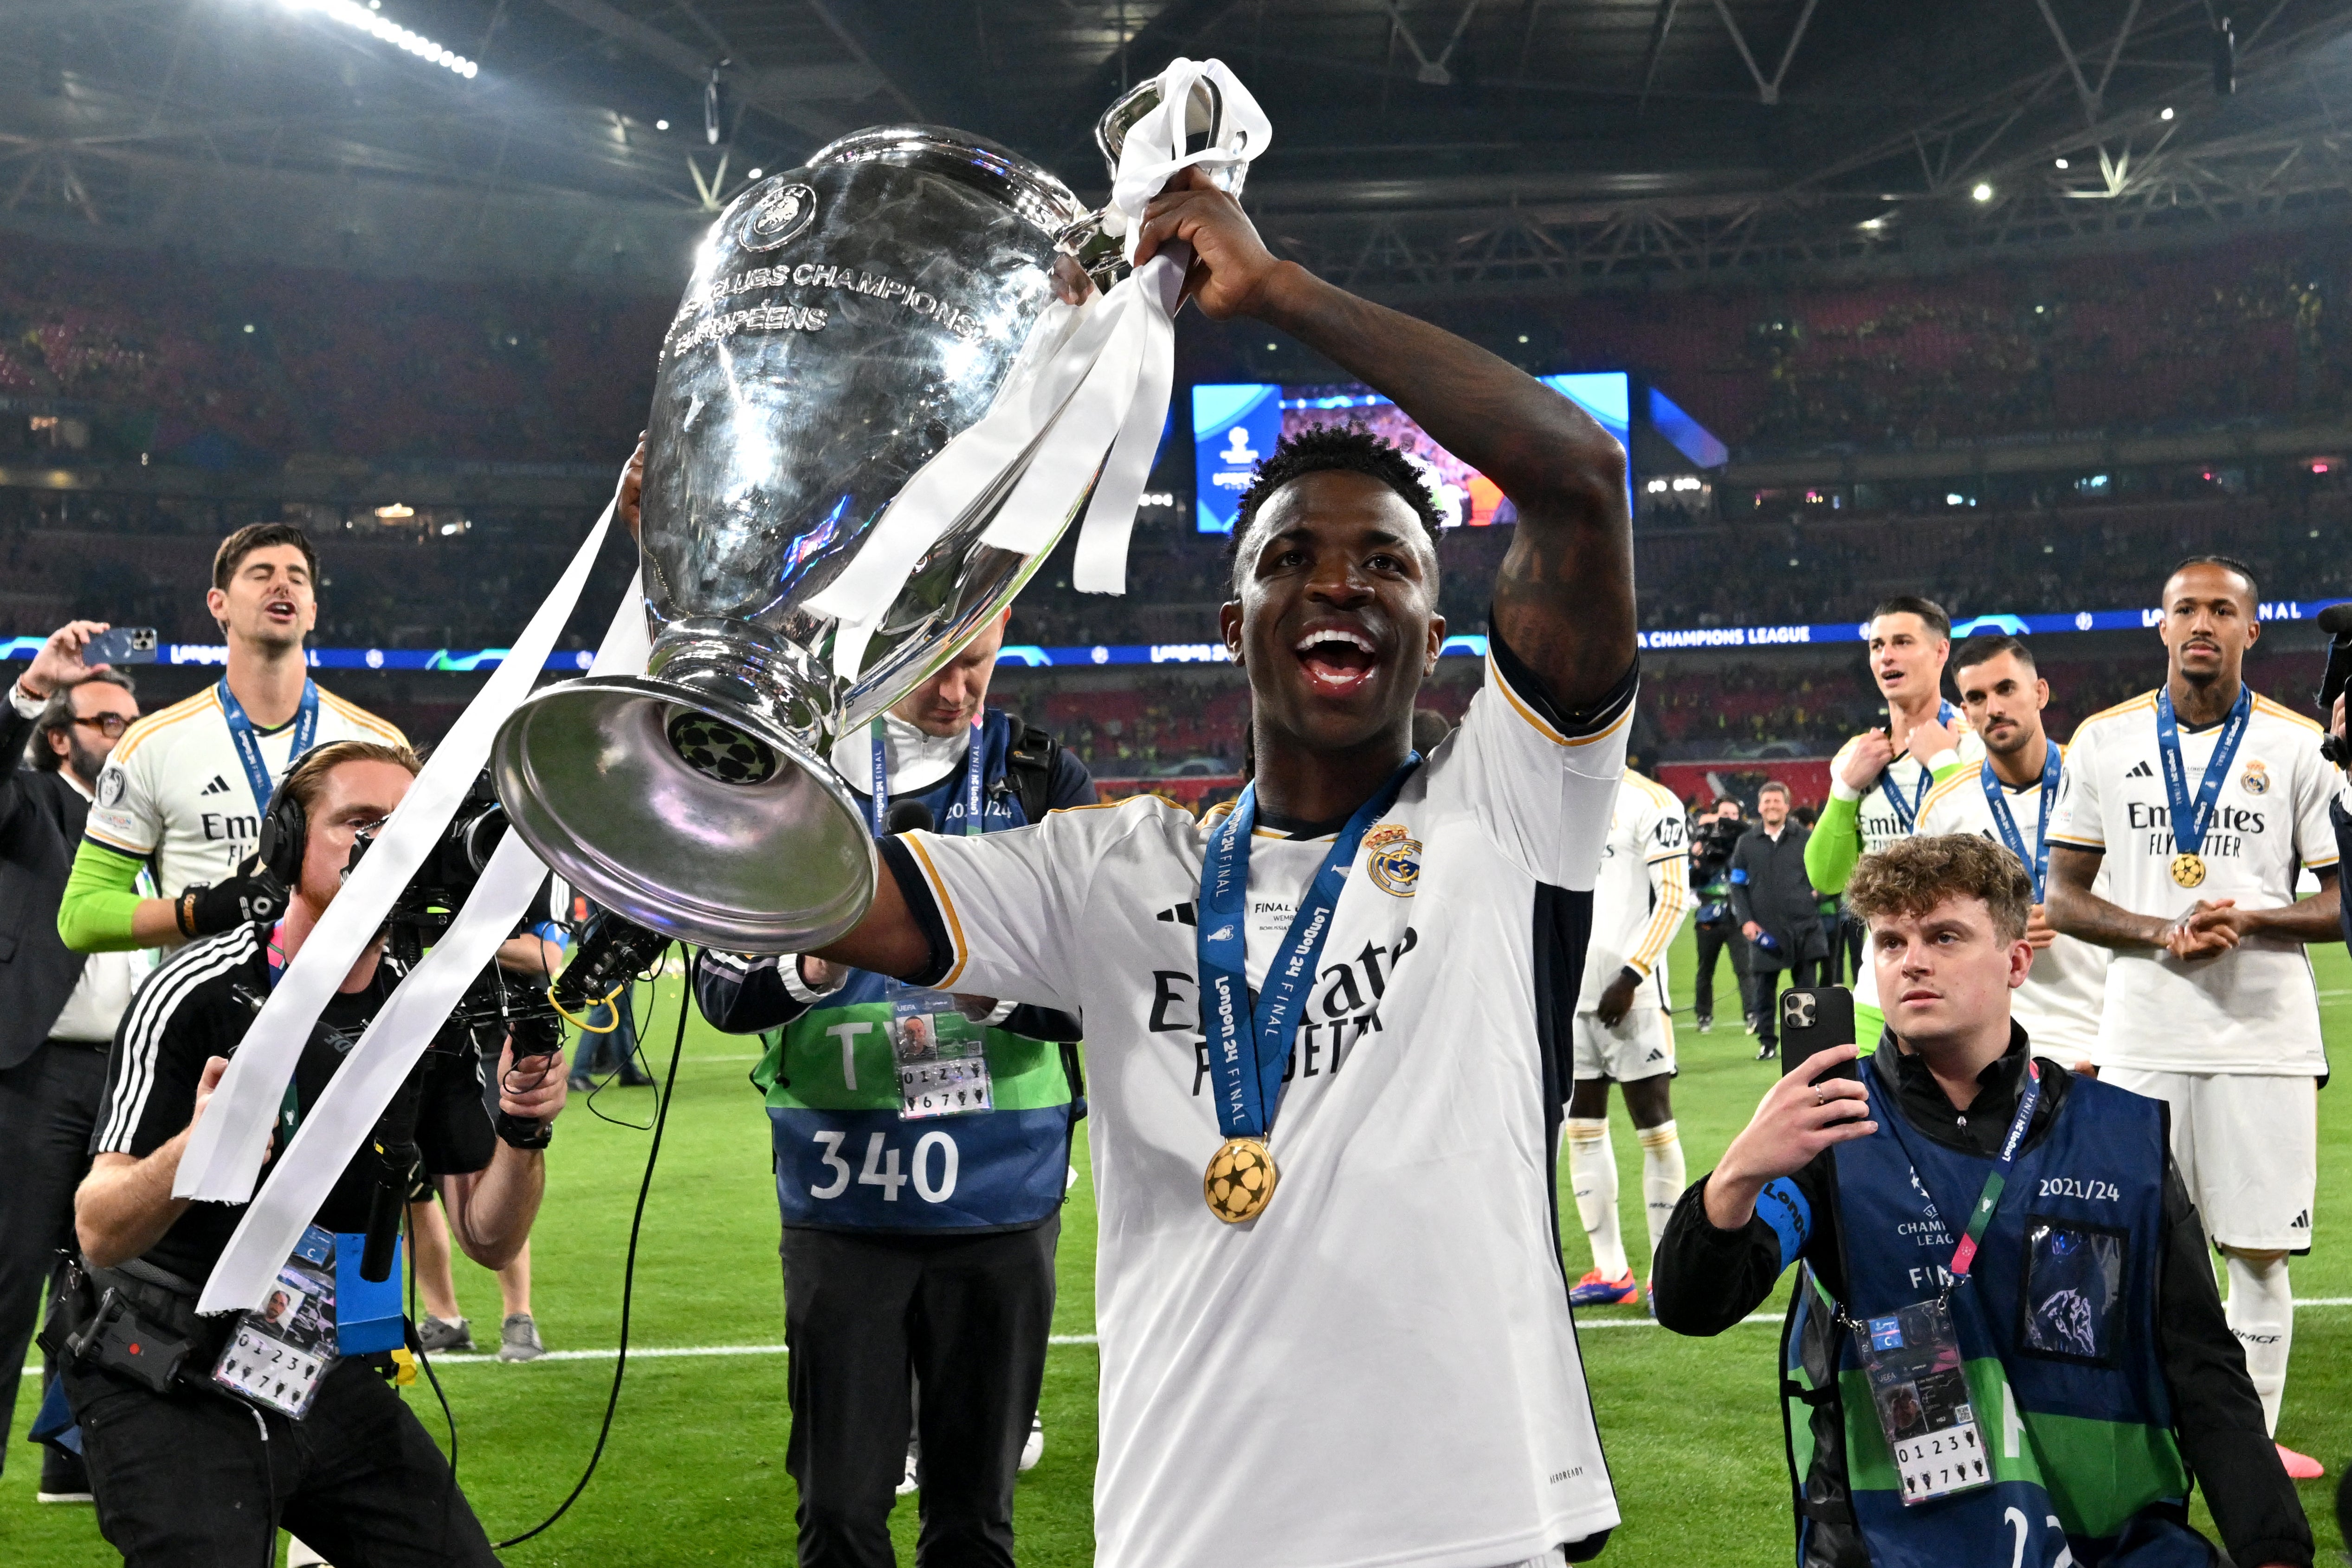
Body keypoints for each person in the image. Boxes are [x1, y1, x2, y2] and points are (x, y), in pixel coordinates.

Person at [804, 162, 1636, 1568]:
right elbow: (812, 879)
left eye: (1386, 563)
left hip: (1476, 1525)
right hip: (1194, 1530)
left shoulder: (1506, 805)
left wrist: (1281, 291)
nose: (1338, 581)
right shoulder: (1106, 871)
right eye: (1291, 557)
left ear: (1439, 634)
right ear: (1232, 618)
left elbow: (1581, 475)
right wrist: (717, 646)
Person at [1651, 833, 2311, 1568]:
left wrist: (2273, 1546)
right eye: (1891, 941)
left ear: (2017, 960)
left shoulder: (2122, 1136)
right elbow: (1691, 1304)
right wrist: (1738, 1173)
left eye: (1944, 936)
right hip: (1898, 1546)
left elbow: (2204, 1369)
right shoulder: (1828, 1132)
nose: (1913, 961)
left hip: (2115, 1541)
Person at [60, 739, 567, 1565]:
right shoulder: (198, 990)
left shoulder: (426, 1000)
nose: (385, 844)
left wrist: (523, 1127)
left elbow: (489, 1235)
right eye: (358, 822)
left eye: (410, 825)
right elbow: (98, 1230)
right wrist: (197, 1148)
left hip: (314, 1360)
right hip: (169, 1365)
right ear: (289, 843)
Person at [691, 606, 1095, 1565]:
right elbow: (718, 985)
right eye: (936, 668)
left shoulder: (1042, 779)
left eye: (980, 666)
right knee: (836, 1511)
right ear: (886, 651)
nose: (958, 692)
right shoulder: (794, 779)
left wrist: (995, 992)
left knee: (974, 1523)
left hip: (1000, 1206)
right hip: (844, 1203)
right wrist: (816, 963)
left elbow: (1102, 979)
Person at [2044, 555, 2342, 1482]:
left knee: (2257, 1250)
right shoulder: (2100, 740)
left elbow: (2341, 902)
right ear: (2159, 624)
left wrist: (2248, 917)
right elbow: (2063, 894)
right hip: (2138, 1032)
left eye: (2222, 609)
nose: (2202, 623)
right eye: (2186, 609)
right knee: (2128, 1250)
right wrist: (2157, 931)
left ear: (2251, 630)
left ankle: (2244, 1452)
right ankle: (2139, 1438)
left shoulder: (2297, 746)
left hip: (2263, 1033)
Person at [59, 522, 407, 955]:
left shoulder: (380, 748)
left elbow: (418, 899)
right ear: (218, 603)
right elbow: (81, 916)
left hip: (340, 1011)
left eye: (297, 578)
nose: (282, 584)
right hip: (208, 1012)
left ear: (313, 610)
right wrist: (204, 911)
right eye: (261, 574)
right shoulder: (152, 745)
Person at [0, 622, 145, 1503]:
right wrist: (26, 687)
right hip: (39, 1071)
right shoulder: (28, 803)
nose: (122, 738)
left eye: (133, 722)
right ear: (60, 734)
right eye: (103, 721)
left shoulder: (149, 821)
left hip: (134, 1077)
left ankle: (76, 1453)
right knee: (12, 1283)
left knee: (117, 1286)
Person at [1916, 636, 2107, 1063]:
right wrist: (2004, 925)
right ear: (1966, 713)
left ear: (2040, 692)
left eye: (2006, 689)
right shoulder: (1945, 808)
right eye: (1977, 698)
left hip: (2108, 1037)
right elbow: (1928, 926)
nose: (1994, 708)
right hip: (2000, 1050)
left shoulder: (2102, 781)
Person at [1804, 596, 1982, 1050]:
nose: (1886, 656)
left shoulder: (1976, 747)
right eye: (1876, 645)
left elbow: (1991, 860)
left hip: (1964, 991)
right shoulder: (1856, 758)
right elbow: (1825, 877)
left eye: (1902, 642)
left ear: (1941, 652)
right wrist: (1845, 789)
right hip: (1877, 995)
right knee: (1869, 1122)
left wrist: (1942, 765)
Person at [1564, 766, 1695, 1308]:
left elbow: (1674, 898)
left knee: (1655, 1127)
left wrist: (1633, 974)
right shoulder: (1556, 794)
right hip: (1567, 998)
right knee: (1583, 1129)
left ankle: (1665, 1269)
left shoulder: (1652, 801)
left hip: (1633, 997)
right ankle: (1610, 1269)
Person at [1729, 781, 1827, 1061]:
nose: (1772, 806)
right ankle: (1768, 1042)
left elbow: (1824, 872)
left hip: (1804, 927)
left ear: (1787, 805)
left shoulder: (1806, 839)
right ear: (1759, 807)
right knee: (1763, 991)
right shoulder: (1746, 843)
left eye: (1777, 802)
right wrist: (1746, 921)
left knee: (1806, 990)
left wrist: (1818, 894)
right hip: (1764, 930)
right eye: (1767, 802)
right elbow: (1737, 885)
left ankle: (1804, 1045)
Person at [1689, 797, 1755, 1034]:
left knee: (1745, 969)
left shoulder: (1747, 842)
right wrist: (1696, 859)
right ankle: (1703, 1016)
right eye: (1724, 813)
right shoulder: (1702, 843)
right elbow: (1692, 881)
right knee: (1706, 969)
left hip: (1738, 916)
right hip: (1709, 916)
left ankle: (1752, 1013)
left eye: (1734, 815)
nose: (1729, 819)